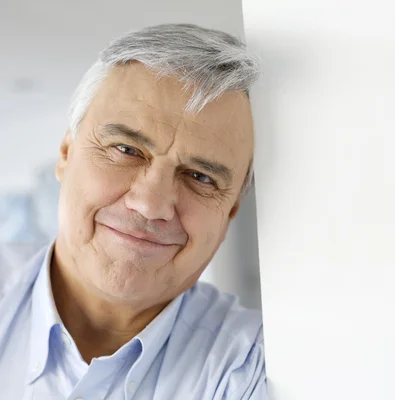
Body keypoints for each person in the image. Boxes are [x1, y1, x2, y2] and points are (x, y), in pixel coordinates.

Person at [0, 23, 267, 399]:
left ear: (231, 211)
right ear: (65, 154)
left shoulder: (258, 370)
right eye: (126, 149)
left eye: (200, 176)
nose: (150, 205)